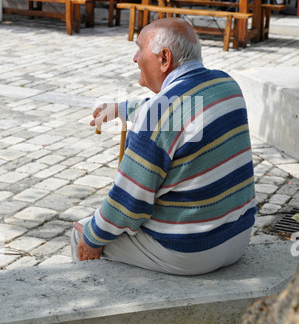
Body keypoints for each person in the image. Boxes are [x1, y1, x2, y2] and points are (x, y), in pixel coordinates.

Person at [71, 18, 256, 276]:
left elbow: (127, 203)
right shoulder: (226, 85)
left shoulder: (158, 115)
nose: (135, 58)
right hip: (238, 236)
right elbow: (179, 109)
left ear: (164, 58)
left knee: (82, 232)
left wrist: (91, 237)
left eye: (139, 49)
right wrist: (121, 109)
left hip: (190, 250)